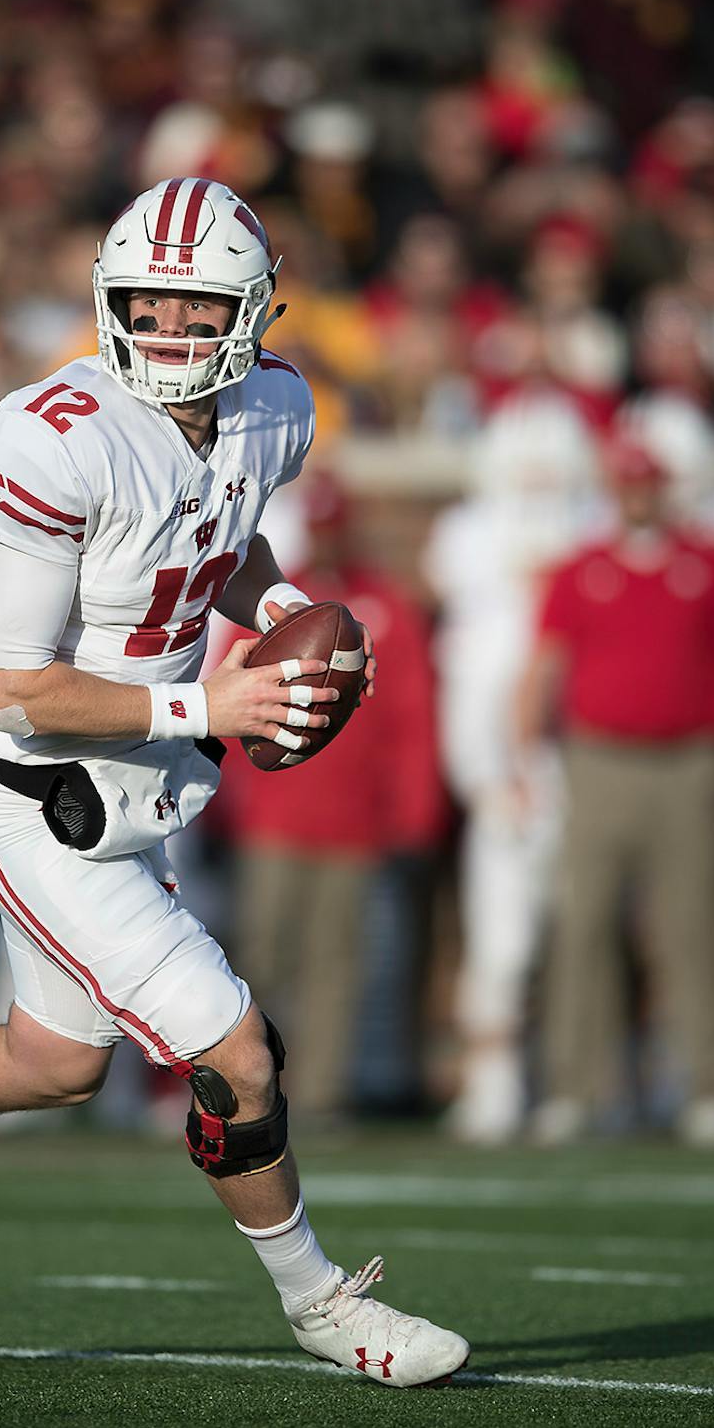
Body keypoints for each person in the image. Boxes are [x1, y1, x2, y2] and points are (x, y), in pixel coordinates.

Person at [0, 177, 469, 1387]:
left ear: (254, 314)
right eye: (148, 307)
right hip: (27, 795)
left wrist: (276, 610)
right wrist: (211, 701)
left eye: (196, 309)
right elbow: (16, 685)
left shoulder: (274, 408)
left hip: (137, 783)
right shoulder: (55, 433)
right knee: (238, 1051)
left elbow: (215, 546)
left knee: (52, 1063)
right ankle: (322, 1303)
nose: (169, 335)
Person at [516, 435, 714, 1148]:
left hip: (691, 762)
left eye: (645, 483)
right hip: (600, 760)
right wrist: (524, 751)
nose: (636, 496)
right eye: (625, 484)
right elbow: (545, 663)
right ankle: (577, 1086)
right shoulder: (583, 568)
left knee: (692, 929)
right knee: (586, 926)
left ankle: (705, 1085)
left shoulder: (709, 565)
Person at [216, 473, 445, 1126]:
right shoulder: (277, 608)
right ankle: (243, 1091)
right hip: (276, 819)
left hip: (354, 823)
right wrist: (230, 800)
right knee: (260, 958)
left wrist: (413, 811)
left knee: (336, 966)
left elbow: (412, 717)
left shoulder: (388, 605)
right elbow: (230, 700)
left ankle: (320, 1094)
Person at [424, 392, 603, 1143]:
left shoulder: (594, 530)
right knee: (500, 939)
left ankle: (576, 1083)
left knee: (582, 935)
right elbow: (469, 678)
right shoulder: (468, 536)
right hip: (501, 758)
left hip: (580, 759)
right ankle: (494, 1082)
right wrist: (484, 774)